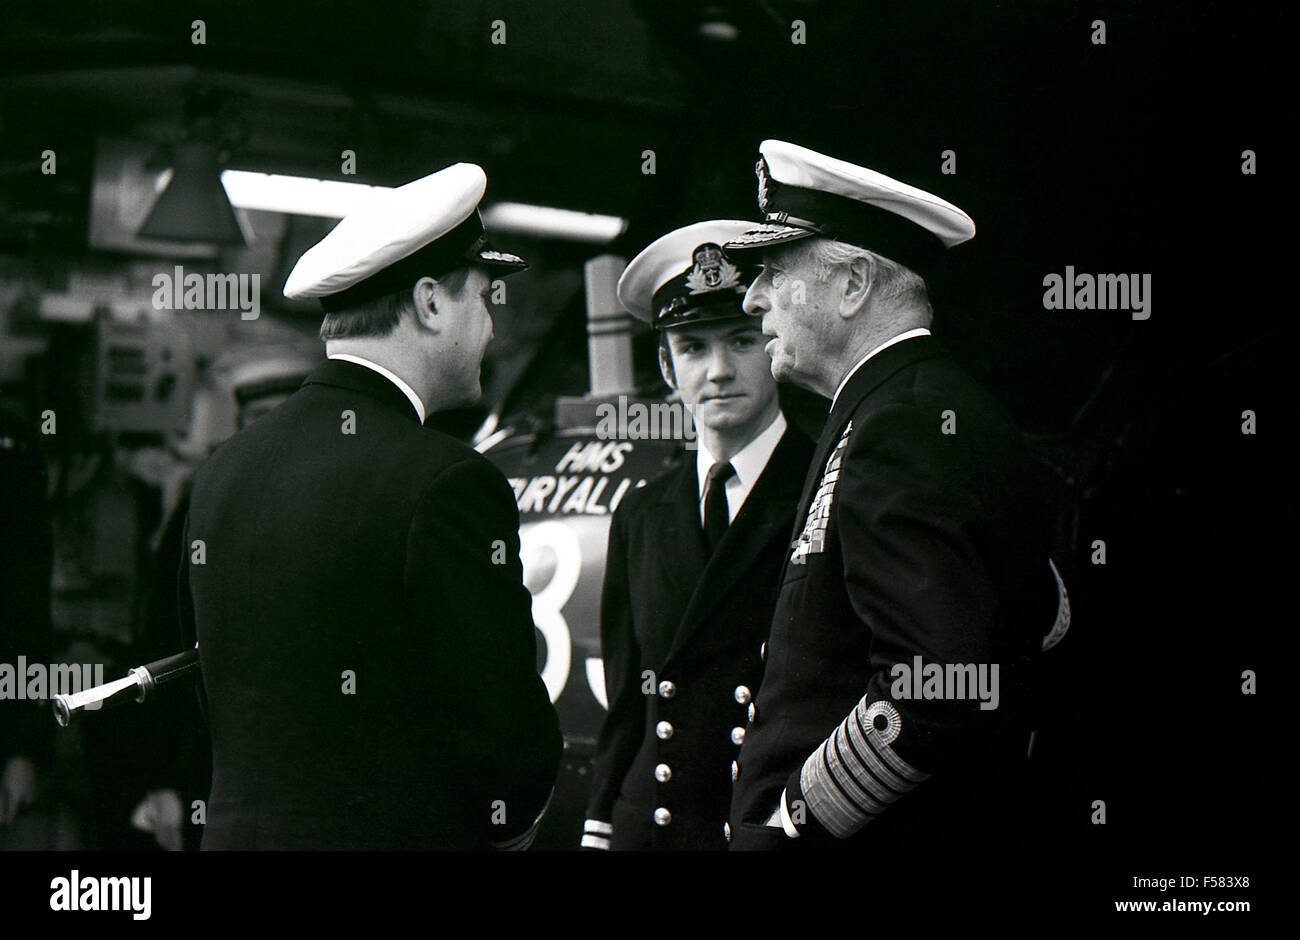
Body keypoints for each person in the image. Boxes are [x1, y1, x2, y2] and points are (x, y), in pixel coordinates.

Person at [181, 163, 562, 850]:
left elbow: (211, 695)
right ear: (428, 302)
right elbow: (509, 750)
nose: (493, 330)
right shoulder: (448, 482)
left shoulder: (222, 470)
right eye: (484, 299)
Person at [723, 141, 1067, 850]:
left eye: (773, 270)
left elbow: (936, 684)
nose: (752, 297)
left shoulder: (906, 422)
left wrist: (795, 821)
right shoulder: (904, 408)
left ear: (852, 284)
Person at [581, 221, 813, 851]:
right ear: (665, 363)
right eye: (692, 347)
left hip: (764, 831)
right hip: (652, 830)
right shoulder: (641, 512)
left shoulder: (828, 491)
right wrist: (599, 828)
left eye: (740, 340)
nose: (717, 371)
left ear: (775, 345)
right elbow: (629, 702)